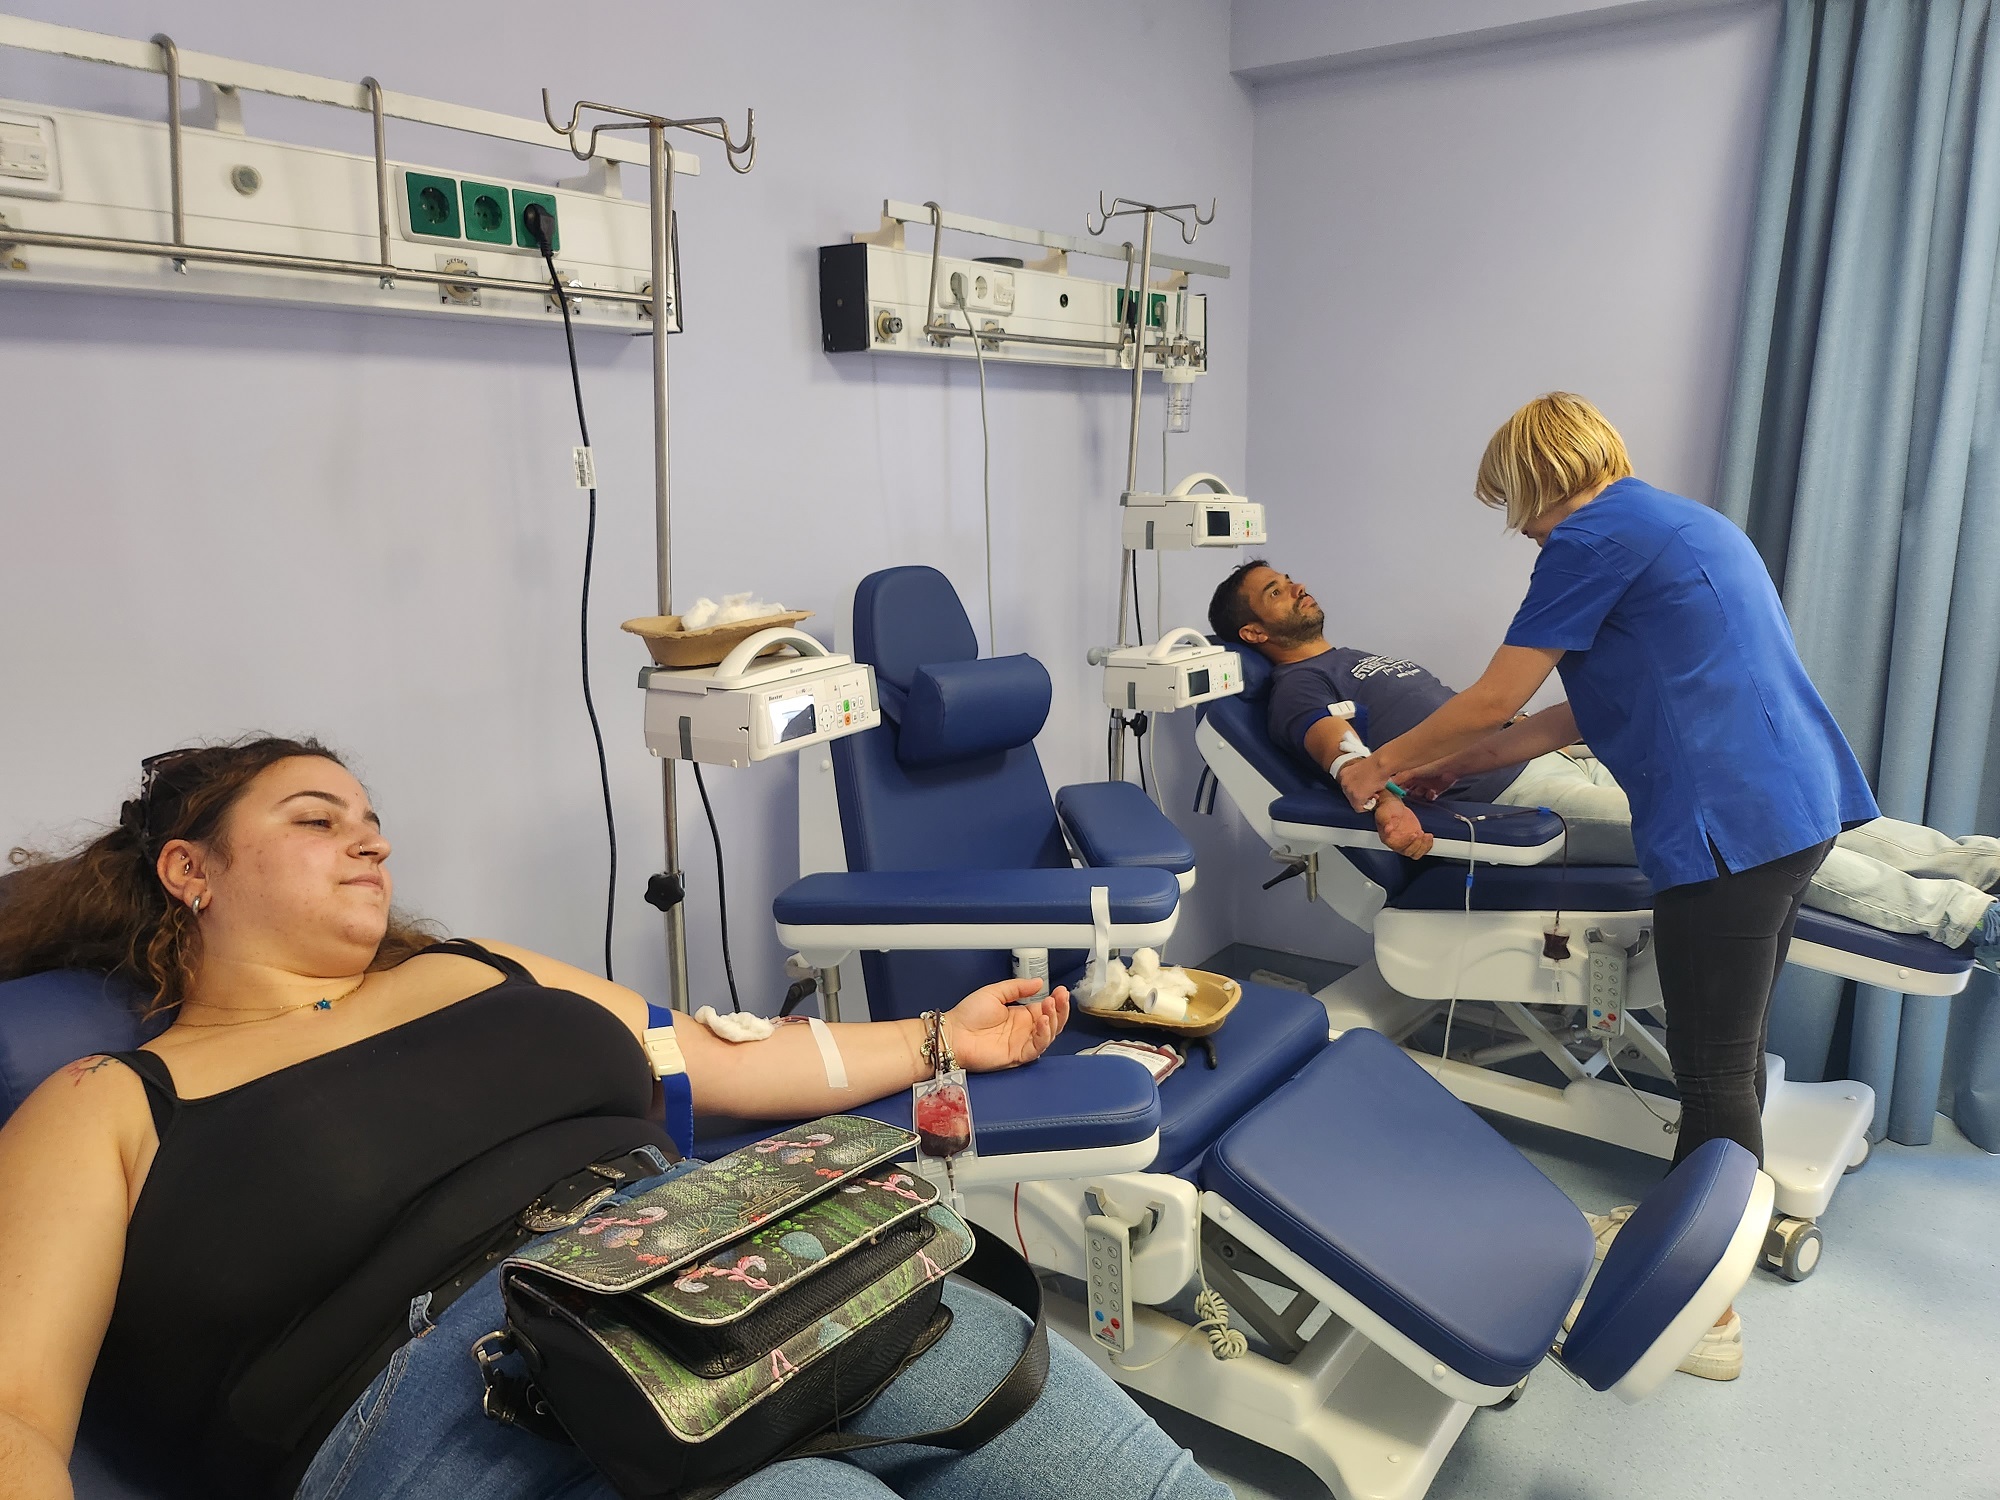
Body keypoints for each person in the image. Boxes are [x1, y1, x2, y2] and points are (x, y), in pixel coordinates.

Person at [0, 737, 1230, 1500]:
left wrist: (936, 1039)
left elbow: (710, 1056)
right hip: (468, 1406)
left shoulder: (475, 970)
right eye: (316, 820)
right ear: (190, 870)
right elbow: (15, 1416)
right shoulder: (108, 1103)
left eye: (371, 823)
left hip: (740, 1277)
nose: (368, 843)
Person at [1327, 394, 1886, 1381]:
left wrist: (1378, 765)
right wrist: (1454, 764)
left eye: (1515, 504)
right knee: (1732, 1052)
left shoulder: (1586, 538)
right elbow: (1564, 717)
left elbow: (1494, 696)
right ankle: (1693, 1220)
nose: (1521, 529)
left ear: (1539, 475)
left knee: (1711, 1074)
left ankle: (1707, 1315)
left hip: (1726, 827)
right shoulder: (1678, 523)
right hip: (1792, 808)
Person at [1208, 560, 2000, 958]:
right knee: (1750, 842)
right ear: (1254, 633)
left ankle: (1977, 863)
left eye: (1289, 579)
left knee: (1774, 809)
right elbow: (1342, 753)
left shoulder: (1352, 655)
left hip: (1561, 753)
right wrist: (1386, 805)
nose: (1296, 588)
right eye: (1276, 592)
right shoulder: (1298, 686)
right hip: (1515, 795)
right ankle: (1964, 919)